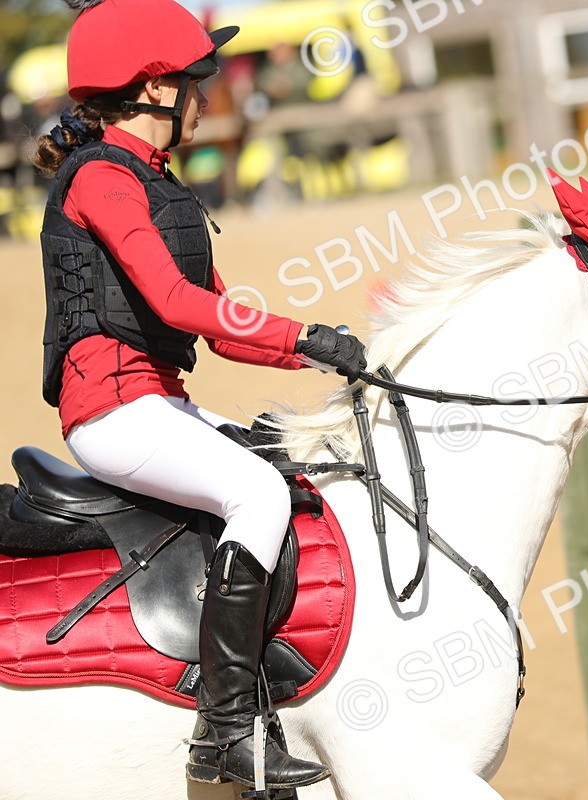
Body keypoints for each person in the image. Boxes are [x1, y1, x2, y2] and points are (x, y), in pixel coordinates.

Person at [31, 0, 367, 791]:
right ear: (155, 88)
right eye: (196, 80)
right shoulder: (104, 179)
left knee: (289, 460)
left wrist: (324, 350)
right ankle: (223, 734)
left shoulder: (156, 181)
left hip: (157, 403)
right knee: (258, 493)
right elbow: (178, 304)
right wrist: (301, 334)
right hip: (112, 412)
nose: (207, 96)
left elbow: (222, 325)